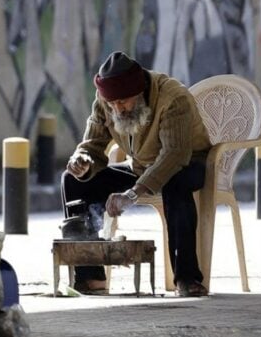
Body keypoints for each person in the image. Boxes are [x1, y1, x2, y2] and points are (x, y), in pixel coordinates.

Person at [61, 51, 212, 297]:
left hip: (188, 164)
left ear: (140, 92)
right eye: (112, 104)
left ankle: (187, 278)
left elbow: (174, 155)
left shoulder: (173, 98)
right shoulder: (106, 100)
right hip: (141, 168)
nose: (117, 109)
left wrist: (132, 194)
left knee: (175, 183)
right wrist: (83, 160)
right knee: (72, 180)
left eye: (123, 102)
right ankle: (90, 275)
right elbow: (92, 144)